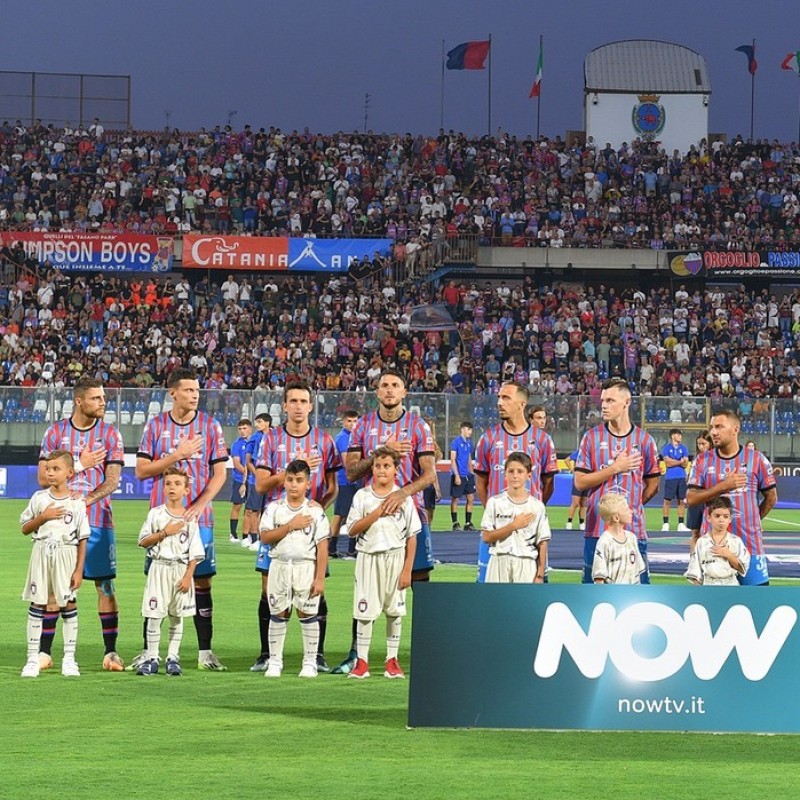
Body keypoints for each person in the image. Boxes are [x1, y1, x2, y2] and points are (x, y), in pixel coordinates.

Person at [336, 369, 435, 674]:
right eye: (384, 386)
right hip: (371, 516)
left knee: (418, 582)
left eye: (395, 385)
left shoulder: (418, 427)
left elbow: (429, 474)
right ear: (377, 392)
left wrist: (402, 494)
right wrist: (384, 451)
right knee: (367, 585)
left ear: (404, 392)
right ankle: (358, 655)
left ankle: (421, 652)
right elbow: (352, 472)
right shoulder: (363, 425)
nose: (389, 390)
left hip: (409, 513)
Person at [134, 368, 229, 671]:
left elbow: (220, 472)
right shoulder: (155, 426)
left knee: (202, 582)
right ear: (172, 393)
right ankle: (149, 653)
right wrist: (178, 454)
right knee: (155, 584)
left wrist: (200, 504)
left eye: (197, 391)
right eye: (187, 390)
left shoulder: (210, 426)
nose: (194, 396)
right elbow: (142, 471)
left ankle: (205, 652)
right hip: (162, 519)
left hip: (199, 519)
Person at [37, 377, 124, 672]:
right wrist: (79, 462)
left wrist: (84, 501)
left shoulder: (111, 434)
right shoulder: (55, 433)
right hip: (58, 524)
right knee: (55, 587)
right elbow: (42, 477)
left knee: (105, 586)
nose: (102, 402)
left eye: (103, 398)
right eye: (96, 398)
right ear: (79, 401)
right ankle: (45, 653)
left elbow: (113, 480)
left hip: (98, 519)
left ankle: (111, 653)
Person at [252, 381, 339, 672]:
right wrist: (289, 470)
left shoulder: (324, 441)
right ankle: (266, 654)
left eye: (304, 401)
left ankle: (318, 656)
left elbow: (332, 487)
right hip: (277, 524)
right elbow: (262, 485)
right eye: (294, 401)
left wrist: (317, 510)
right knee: (268, 591)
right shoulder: (270, 439)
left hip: (308, 530)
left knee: (316, 590)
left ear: (310, 406)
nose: (299, 406)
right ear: (285, 406)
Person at [574, 378, 660, 585]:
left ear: (627, 402)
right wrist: (615, 468)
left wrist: (632, 507)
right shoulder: (591, 438)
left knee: (638, 595)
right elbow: (580, 482)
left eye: (610, 400)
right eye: (603, 401)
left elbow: (653, 485)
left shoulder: (645, 440)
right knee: (593, 594)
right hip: (596, 530)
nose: (604, 405)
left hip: (634, 532)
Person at [344, 446, 420, 679]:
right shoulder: (363, 497)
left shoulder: (403, 498)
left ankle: (392, 660)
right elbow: (351, 530)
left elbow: (412, 535)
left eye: (387, 466)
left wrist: (408, 569)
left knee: (395, 611)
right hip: (368, 558)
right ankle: (362, 662)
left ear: (396, 470)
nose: (381, 470)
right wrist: (377, 513)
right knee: (364, 611)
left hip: (395, 559)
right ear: (372, 469)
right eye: (377, 466)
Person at [474, 382, 558, 583]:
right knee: (489, 592)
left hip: (530, 534)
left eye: (506, 398)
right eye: (499, 398)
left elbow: (548, 484)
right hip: (496, 532)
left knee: (533, 594)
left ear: (522, 404)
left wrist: (533, 511)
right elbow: (481, 484)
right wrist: (495, 513)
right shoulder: (488, 438)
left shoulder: (543, 439)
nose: (499, 403)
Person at [687, 409, 777, 585]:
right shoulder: (702, 461)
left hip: (750, 546)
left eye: (719, 426)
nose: (713, 432)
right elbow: (691, 498)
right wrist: (724, 486)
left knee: (758, 603)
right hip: (713, 550)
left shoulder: (757, 460)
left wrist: (754, 520)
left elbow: (771, 497)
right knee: (713, 606)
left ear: (735, 429)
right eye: (712, 427)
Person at [20, 451, 89, 678]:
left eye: (55, 469)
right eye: (47, 469)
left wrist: (79, 569)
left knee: (68, 604)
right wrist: (43, 517)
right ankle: (32, 658)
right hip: (41, 553)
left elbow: (83, 538)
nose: (49, 473)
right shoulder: (39, 498)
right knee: (38, 603)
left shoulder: (77, 502)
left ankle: (69, 659)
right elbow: (25, 528)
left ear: (69, 473)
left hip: (66, 554)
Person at [259, 460, 330, 678]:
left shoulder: (315, 512)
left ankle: (309, 662)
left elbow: (322, 548)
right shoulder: (274, 509)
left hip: (305, 567)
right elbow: (264, 537)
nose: (294, 485)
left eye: (299, 480)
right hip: (279, 566)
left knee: (307, 613)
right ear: (284, 481)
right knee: (278, 613)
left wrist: (320, 578)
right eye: (290, 480)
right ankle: (275, 661)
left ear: (308, 484)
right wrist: (291, 525)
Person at [136, 467, 205, 676]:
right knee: (155, 615)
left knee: (177, 616)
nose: (172, 487)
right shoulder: (156, 514)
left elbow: (195, 553)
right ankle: (152, 657)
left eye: (177, 484)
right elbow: (142, 541)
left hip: (180, 570)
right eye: (168, 484)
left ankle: (173, 658)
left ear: (186, 489)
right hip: (159, 568)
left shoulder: (190, 518)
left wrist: (187, 577)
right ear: (163, 488)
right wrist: (165, 532)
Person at [481, 452, 550, 583]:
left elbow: (542, 542)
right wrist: (513, 526)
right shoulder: (495, 502)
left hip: (526, 562)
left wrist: (540, 575)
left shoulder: (537, 506)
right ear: (505, 474)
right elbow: (486, 537)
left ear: (528, 475)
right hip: (499, 560)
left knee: (523, 603)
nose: (515, 476)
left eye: (520, 471)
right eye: (511, 471)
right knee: (496, 603)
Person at [685, 496, 750, 586]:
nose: (721, 520)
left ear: (730, 519)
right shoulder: (702, 542)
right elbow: (695, 570)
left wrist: (729, 555)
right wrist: (698, 591)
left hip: (731, 584)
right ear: (709, 517)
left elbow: (742, 568)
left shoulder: (736, 541)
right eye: (717, 516)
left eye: (725, 516)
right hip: (709, 585)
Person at [591, 493, 647, 584]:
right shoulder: (605, 541)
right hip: (612, 595)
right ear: (616, 518)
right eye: (626, 509)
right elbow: (599, 576)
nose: (631, 511)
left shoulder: (631, 538)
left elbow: (637, 570)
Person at [330, 409, 361, 559]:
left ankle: (333, 548)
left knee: (341, 514)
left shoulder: (353, 436)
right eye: (349, 421)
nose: (352, 424)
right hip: (345, 481)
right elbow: (346, 461)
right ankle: (349, 549)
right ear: (343, 421)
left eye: (355, 421)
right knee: (344, 515)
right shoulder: (343, 438)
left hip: (348, 480)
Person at [241, 413, 271, 550]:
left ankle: (265, 537)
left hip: (270, 481)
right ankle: (254, 539)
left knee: (268, 511)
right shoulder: (255, 438)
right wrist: (258, 475)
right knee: (255, 510)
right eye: (257, 422)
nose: (257, 424)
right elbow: (248, 462)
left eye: (260, 421)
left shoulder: (274, 437)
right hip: (256, 481)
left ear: (267, 423)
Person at [687, 431, 713, 554]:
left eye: (704, 443)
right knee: (695, 533)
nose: (701, 447)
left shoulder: (717, 459)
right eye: (698, 444)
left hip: (711, 499)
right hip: (697, 499)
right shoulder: (697, 460)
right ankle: (693, 561)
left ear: (711, 443)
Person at [661, 428, 689, 532]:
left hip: (681, 477)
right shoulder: (666, 448)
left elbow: (685, 463)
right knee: (667, 501)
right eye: (679, 435)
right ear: (673, 436)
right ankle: (665, 523)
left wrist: (676, 462)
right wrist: (679, 462)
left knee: (681, 501)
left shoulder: (684, 448)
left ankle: (681, 524)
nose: (680, 437)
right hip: (670, 477)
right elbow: (667, 463)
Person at [449, 421, 476, 531]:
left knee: (471, 498)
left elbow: (469, 458)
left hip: (467, 475)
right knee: (456, 499)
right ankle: (455, 523)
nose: (470, 432)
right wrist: (456, 475)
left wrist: (472, 472)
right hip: (458, 473)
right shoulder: (455, 442)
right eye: (468, 429)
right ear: (462, 429)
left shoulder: (469, 443)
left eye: (471, 429)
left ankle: (468, 523)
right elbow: (452, 459)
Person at [229, 418, 252, 542]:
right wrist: (248, 473)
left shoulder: (255, 442)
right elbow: (237, 463)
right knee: (237, 505)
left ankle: (247, 534)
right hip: (239, 479)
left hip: (252, 480)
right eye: (240, 429)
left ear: (250, 429)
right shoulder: (236, 444)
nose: (242, 431)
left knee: (250, 508)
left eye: (244, 428)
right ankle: (233, 533)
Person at [422, 415, 443, 533]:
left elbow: (433, 468)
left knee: (429, 513)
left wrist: (437, 487)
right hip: (420, 482)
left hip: (429, 483)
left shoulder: (433, 446)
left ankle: (426, 535)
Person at [564, 448, 586, 530]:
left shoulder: (591, 454)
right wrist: (572, 470)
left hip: (587, 480)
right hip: (578, 480)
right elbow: (566, 460)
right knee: (575, 503)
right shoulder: (579, 452)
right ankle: (569, 522)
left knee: (583, 503)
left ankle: (582, 522)